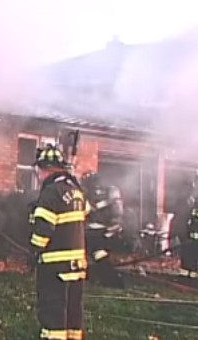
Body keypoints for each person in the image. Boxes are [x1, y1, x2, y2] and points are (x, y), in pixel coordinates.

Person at [29, 144, 88, 340]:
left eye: (39, 170)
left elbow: (44, 230)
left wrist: (34, 251)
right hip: (77, 267)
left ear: (45, 169)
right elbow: (84, 215)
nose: (38, 175)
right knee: (73, 313)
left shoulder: (50, 192)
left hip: (55, 267)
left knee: (53, 310)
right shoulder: (76, 190)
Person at [81, 172, 125, 288]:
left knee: (96, 254)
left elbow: (85, 211)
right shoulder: (108, 192)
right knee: (97, 254)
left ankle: (112, 281)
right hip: (105, 231)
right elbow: (117, 213)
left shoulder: (86, 193)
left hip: (91, 231)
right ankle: (99, 278)